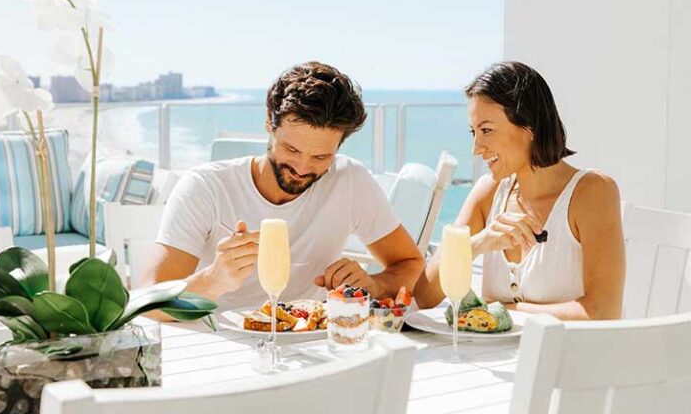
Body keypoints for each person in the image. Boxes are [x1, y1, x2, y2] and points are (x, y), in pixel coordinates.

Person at [148, 61, 424, 312]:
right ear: (269, 124)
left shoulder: (349, 181)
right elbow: (150, 305)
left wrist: (373, 285)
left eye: (321, 157)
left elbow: (410, 264)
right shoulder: (205, 187)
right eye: (291, 149)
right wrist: (214, 279)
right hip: (219, 346)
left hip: (310, 345)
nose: (303, 168)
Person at [414, 61, 625, 320]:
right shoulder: (488, 192)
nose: (476, 148)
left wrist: (503, 311)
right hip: (492, 359)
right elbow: (425, 295)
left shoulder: (592, 193)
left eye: (487, 130)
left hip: (567, 358)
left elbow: (603, 312)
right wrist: (479, 244)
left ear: (529, 127)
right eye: (474, 132)